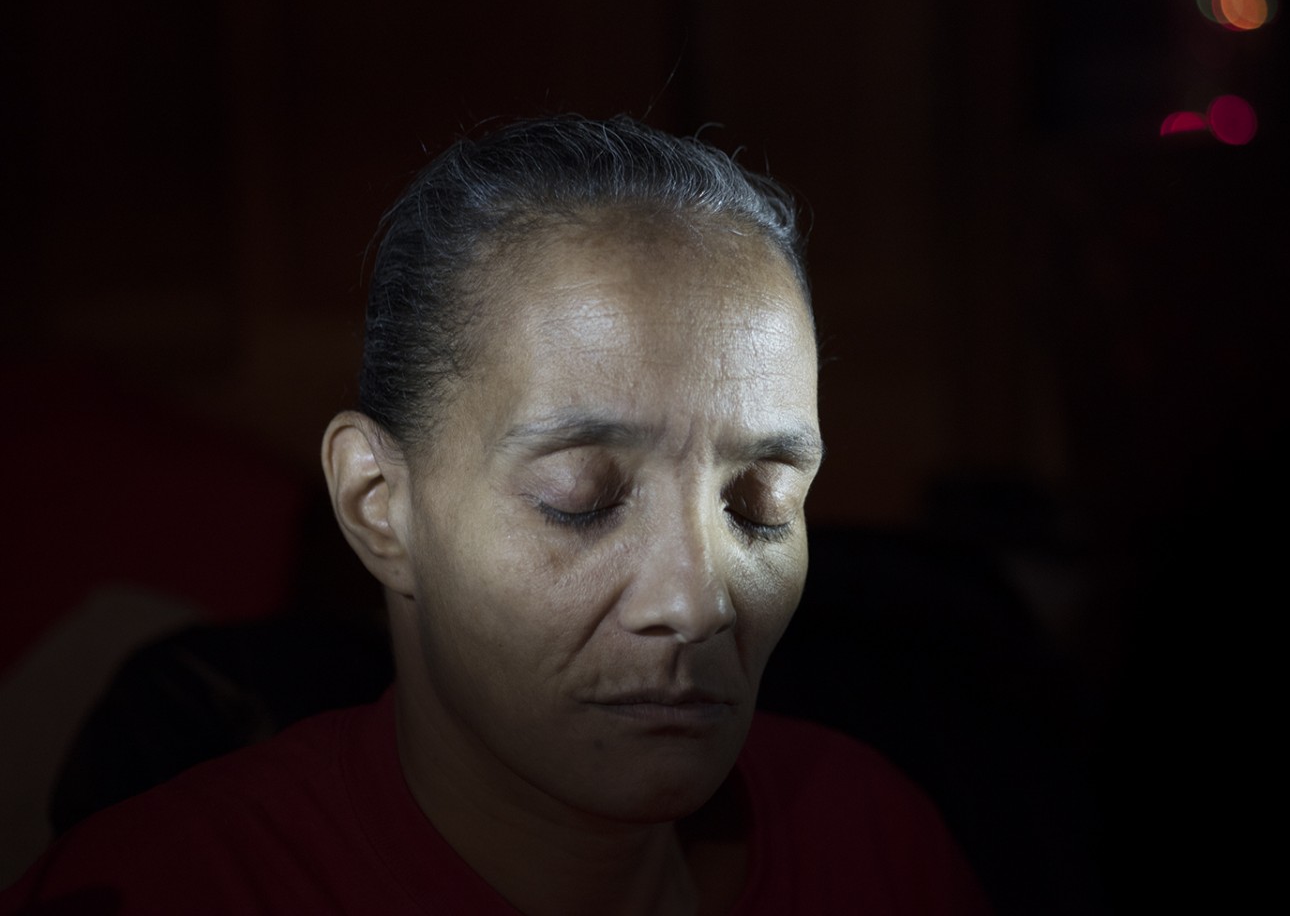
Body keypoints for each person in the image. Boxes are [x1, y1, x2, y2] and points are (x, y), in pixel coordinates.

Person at [1, 116, 989, 915]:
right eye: (584, 500)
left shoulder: (872, 846)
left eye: (760, 505)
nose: (695, 601)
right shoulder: (175, 889)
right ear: (378, 505)